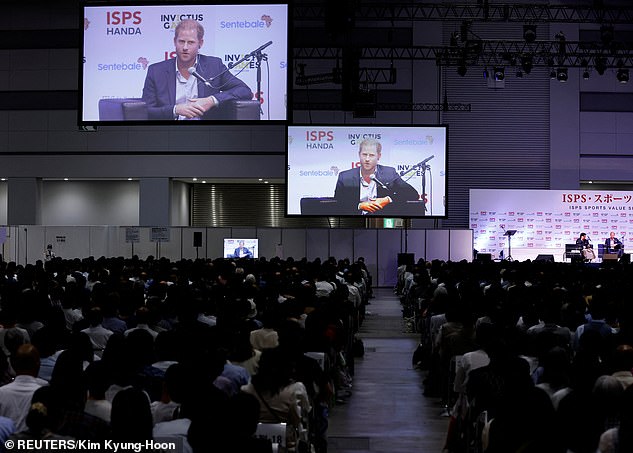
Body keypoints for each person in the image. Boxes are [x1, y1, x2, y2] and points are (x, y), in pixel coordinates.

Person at [141, 19, 253, 120]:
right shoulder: (156, 71)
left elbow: (244, 90)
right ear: (174, 41)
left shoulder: (214, 66)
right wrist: (175, 110)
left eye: (190, 42)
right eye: (181, 41)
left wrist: (212, 100)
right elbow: (145, 110)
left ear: (200, 43)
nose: (185, 47)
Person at [333, 138, 421, 215]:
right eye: (364, 154)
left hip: (382, 224)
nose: (367, 159)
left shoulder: (389, 174)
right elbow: (337, 202)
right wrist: (359, 205)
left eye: (371, 155)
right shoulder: (345, 177)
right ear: (359, 154)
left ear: (379, 156)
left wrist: (387, 200)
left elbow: (412, 194)